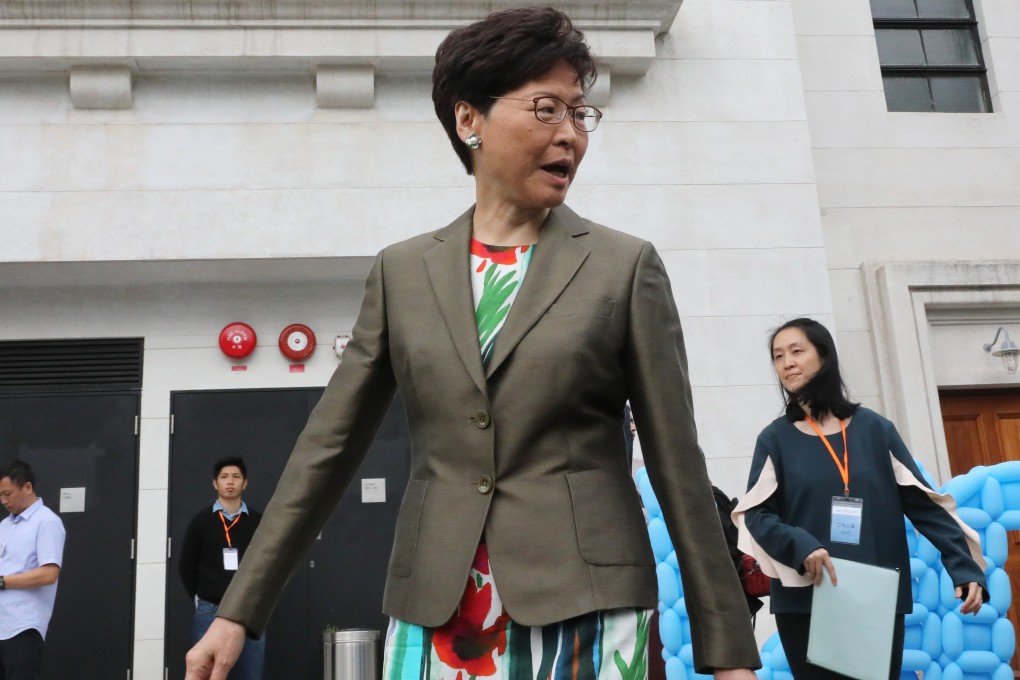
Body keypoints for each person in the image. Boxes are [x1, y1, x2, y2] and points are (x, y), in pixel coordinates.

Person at [185, 8, 760, 679]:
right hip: (438, 605)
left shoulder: (623, 268)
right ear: (469, 121)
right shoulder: (404, 272)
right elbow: (327, 450)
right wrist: (236, 611)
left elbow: (678, 470)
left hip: (589, 610)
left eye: (580, 113)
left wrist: (728, 655)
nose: (570, 134)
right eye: (546, 109)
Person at [733, 317, 987, 679]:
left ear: (824, 356)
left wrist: (963, 565)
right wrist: (800, 546)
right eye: (777, 356)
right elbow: (756, 514)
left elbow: (924, 504)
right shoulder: (775, 439)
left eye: (796, 351)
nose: (786, 362)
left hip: (874, 598)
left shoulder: (875, 430)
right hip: (807, 598)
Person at [179, 457, 264, 680]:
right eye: (224, 477)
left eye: (236, 477)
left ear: (245, 483)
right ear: (215, 483)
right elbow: (186, 565)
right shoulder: (201, 521)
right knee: (206, 673)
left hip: (248, 612)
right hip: (210, 609)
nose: (230, 482)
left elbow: (267, 564)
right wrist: (200, 597)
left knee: (251, 674)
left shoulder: (258, 521)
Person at [0, 460, 66, 680]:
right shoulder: (5, 525)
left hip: (22, 627)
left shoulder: (46, 522)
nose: (4, 501)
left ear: (27, 487)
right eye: (0, 495)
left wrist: (3, 581)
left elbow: (49, 574)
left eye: (8, 494)